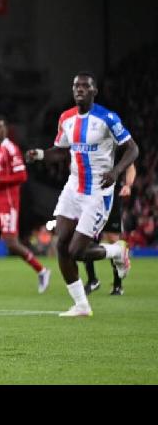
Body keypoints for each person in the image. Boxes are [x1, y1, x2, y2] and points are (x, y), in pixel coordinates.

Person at [26, 73, 138, 317]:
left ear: (94, 91)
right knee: (62, 245)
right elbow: (61, 151)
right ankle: (81, 305)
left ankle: (118, 251)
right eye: (76, 85)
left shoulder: (107, 118)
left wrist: (116, 171)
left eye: (85, 86)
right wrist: (42, 155)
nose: (79, 89)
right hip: (73, 188)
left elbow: (133, 148)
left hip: (98, 192)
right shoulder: (66, 118)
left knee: (77, 251)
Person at [0, 116, 51, 293]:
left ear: (5, 130)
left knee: (11, 242)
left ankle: (42, 270)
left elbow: (22, 176)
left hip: (8, 200)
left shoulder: (11, 149)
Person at [84, 162, 135, 295]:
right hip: (89, 196)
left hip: (110, 196)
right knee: (85, 239)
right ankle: (92, 280)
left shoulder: (117, 142)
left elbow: (130, 165)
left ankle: (118, 285)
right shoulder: (87, 143)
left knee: (113, 239)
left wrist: (128, 185)